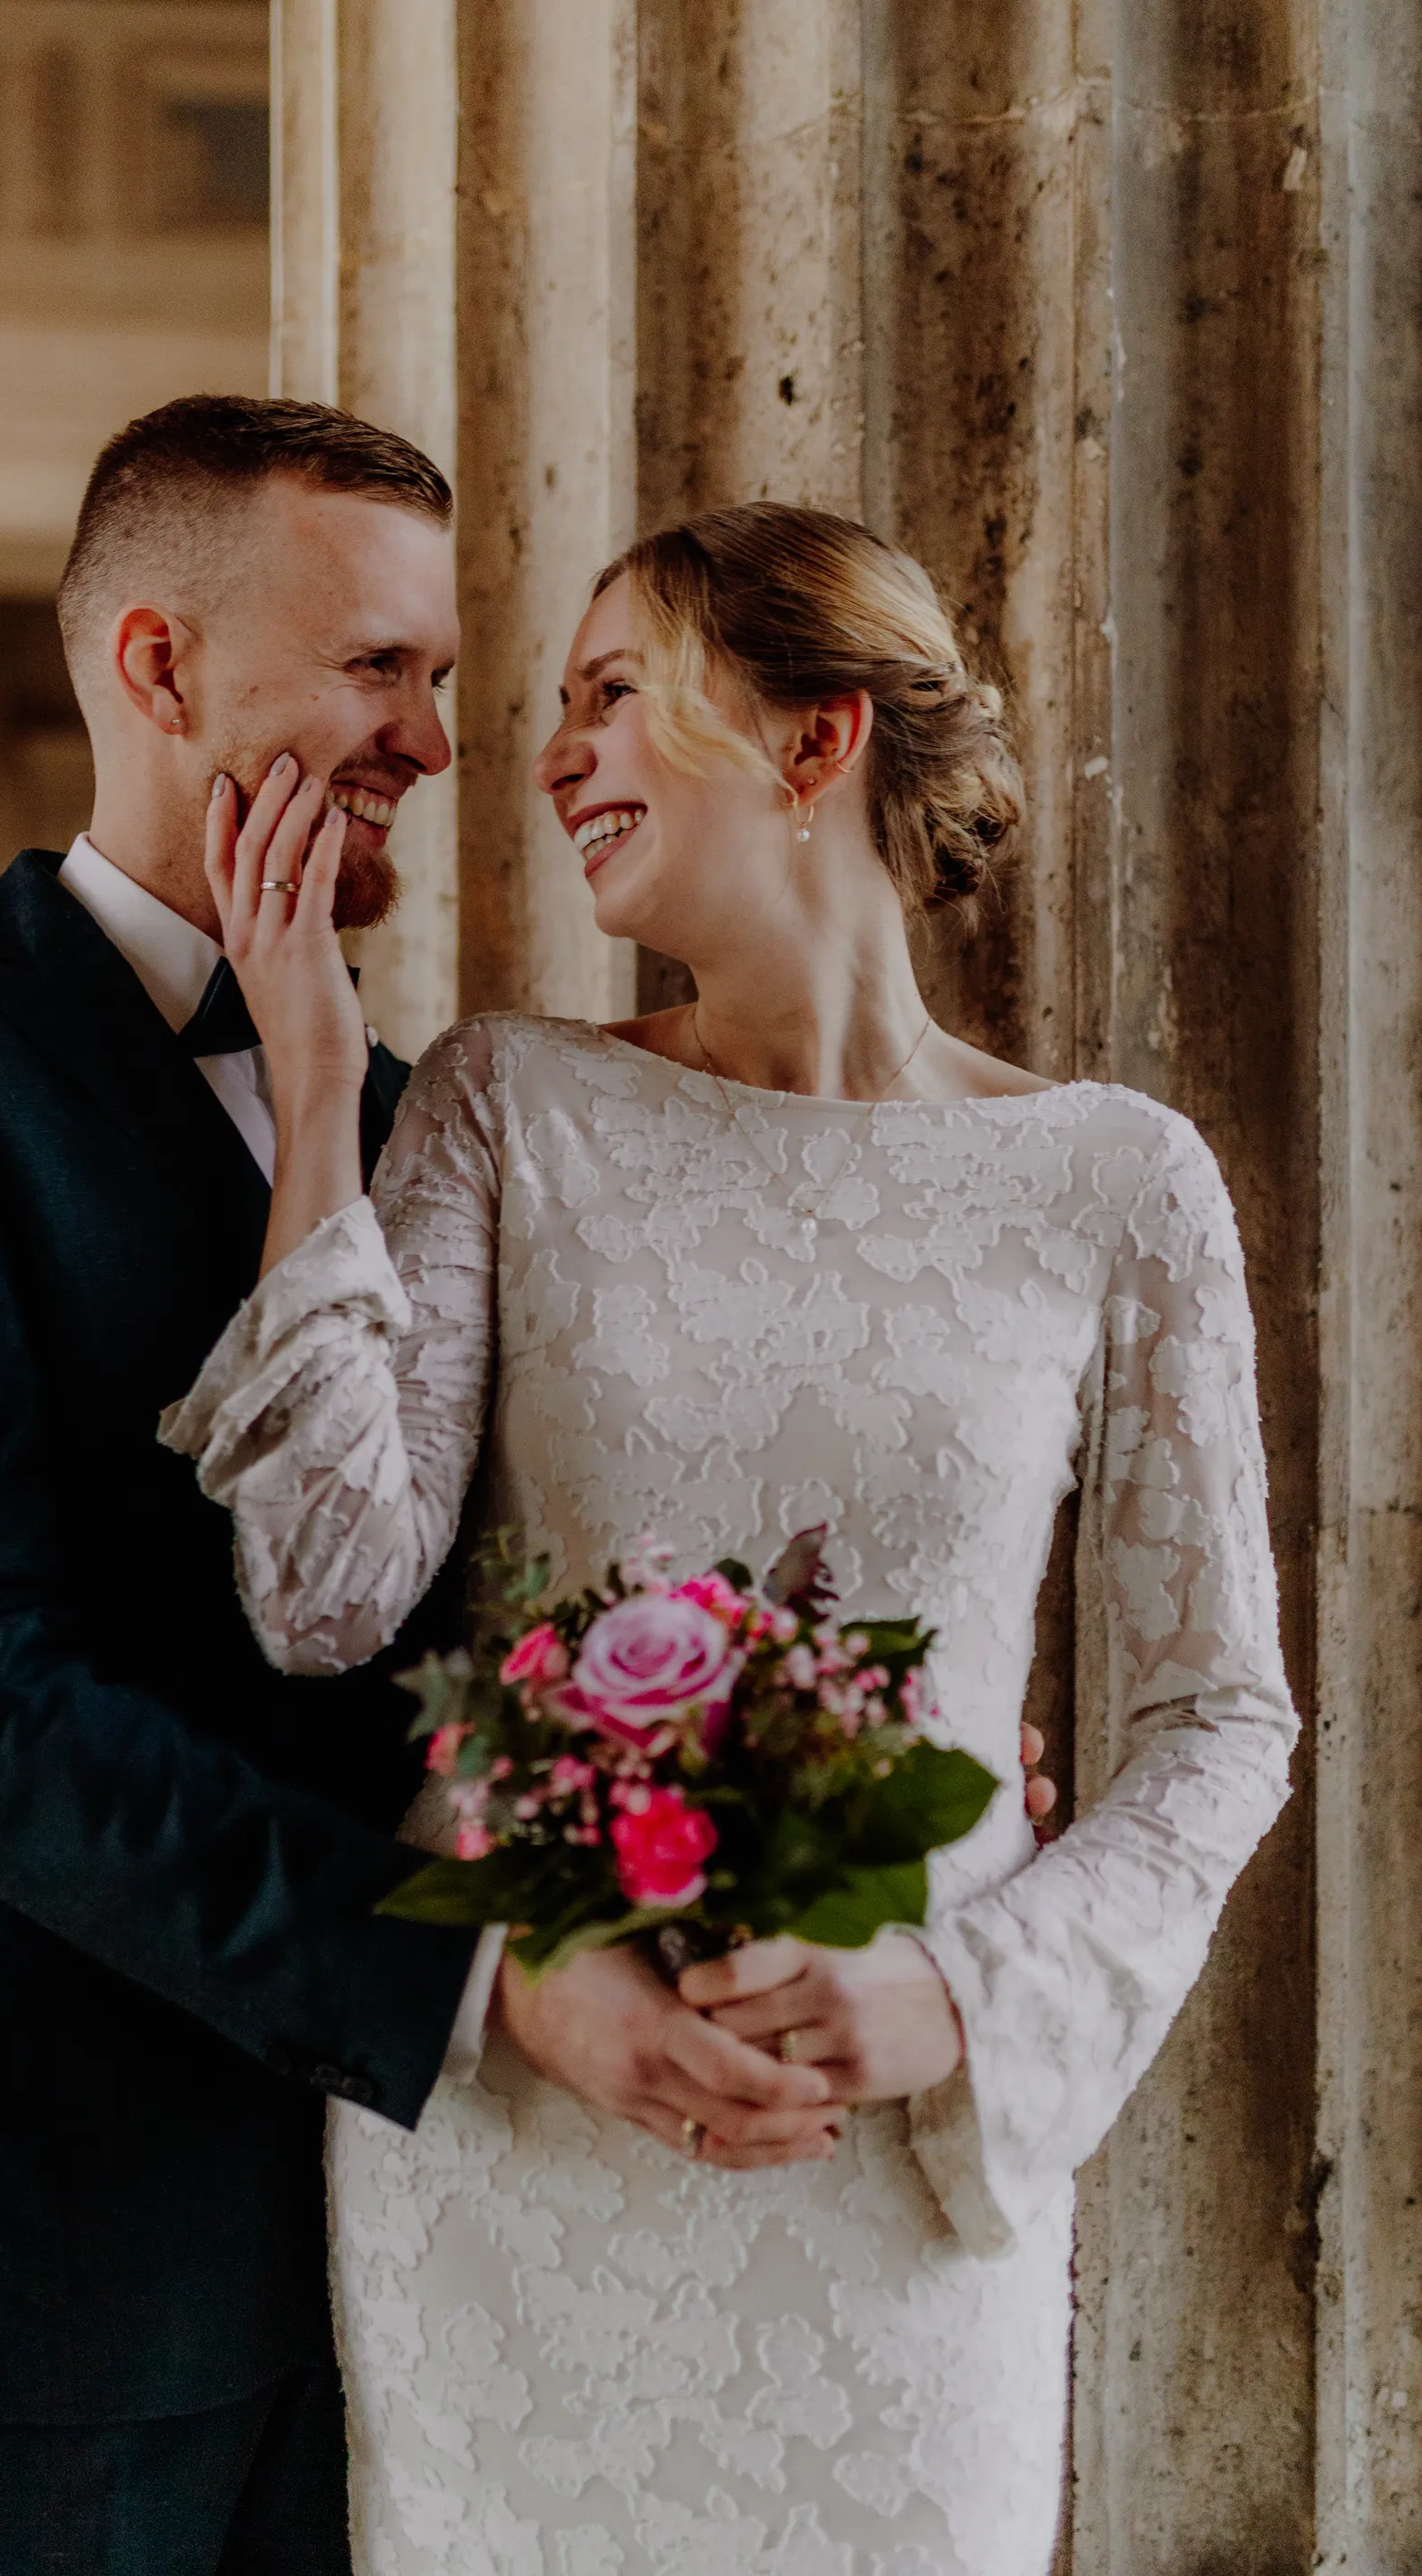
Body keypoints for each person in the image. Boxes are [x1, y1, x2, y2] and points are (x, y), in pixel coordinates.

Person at [0, 401, 839, 2576]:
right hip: (50, 2261)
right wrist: (464, 1980)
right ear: (160, 668)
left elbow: (483, 1610)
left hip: (418, 2246)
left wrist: (794, 1779)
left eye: (441, 674)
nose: (433, 737)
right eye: (376, 669)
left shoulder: (414, 1111)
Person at [162, 501, 1300, 2573]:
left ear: (814, 737)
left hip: (889, 2158)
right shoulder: (504, 1105)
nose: (549, 755)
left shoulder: (1118, 1185)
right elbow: (321, 1597)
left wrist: (965, 1993)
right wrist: (319, 1085)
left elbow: (1217, 1720)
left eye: (610, 693)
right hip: (528, 2151)